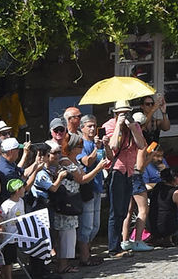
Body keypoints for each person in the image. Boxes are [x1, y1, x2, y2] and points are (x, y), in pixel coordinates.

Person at [53, 134, 108, 271]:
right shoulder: (65, 162)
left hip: (74, 200)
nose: (81, 148)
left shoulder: (74, 161)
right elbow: (82, 179)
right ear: (71, 148)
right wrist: (98, 169)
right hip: (66, 202)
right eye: (79, 146)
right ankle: (64, 265)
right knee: (66, 234)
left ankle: (69, 262)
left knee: (71, 233)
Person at [103, 100, 146, 256]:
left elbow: (141, 145)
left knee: (124, 211)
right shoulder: (109, 125)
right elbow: (113, 146)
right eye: (121, 113)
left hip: (129, 171)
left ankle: (119, 245)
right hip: (117, 170)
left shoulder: (134, 125)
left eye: (127, 112)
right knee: (116, 211)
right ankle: (113, 248)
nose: (124, 115)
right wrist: (118, 128)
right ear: (115, 113)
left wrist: (132, 127)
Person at [75, 115, 104, 268]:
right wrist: (96, 149)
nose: (92, 129)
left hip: (98, 186)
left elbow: (108, 159)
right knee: (86, 226)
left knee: (95, 225)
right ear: (82, 128)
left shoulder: (97, 143)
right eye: (89, 126)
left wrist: (104, 145)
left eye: (94, 126)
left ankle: (88, 253)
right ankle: (84, 258)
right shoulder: (81, 144)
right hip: (86, 188)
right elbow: (87, 161)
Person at [146, 167, 178, 246]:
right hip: (166, 226)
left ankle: (156, 237)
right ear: (175, 178)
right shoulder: (176, 192)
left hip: (151, 225)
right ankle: (167, 237)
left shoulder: (157, 187)